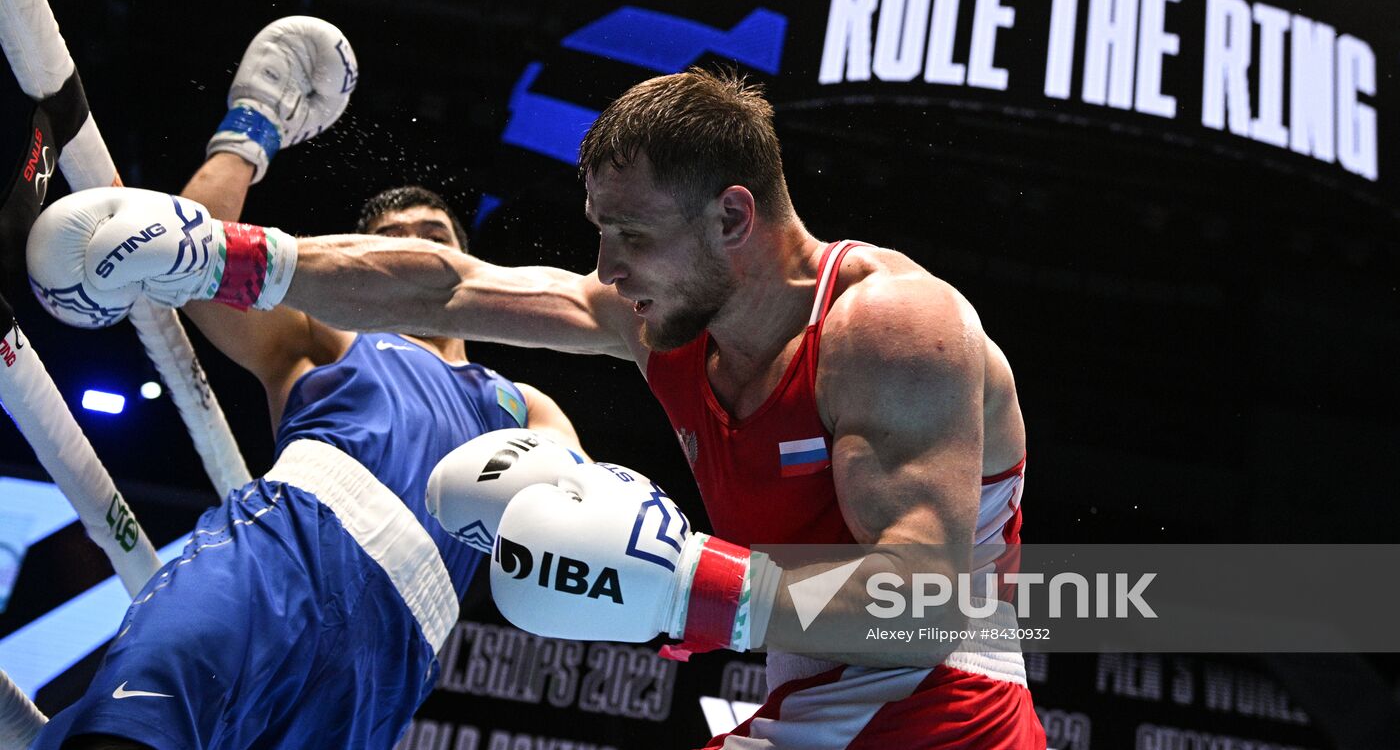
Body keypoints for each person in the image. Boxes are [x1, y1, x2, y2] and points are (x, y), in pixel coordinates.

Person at [31, 67, 1044, 747]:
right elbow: (448, 287)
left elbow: (923, 602)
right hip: (802, 701)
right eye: (598, 232)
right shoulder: (661, 318)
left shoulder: (891, 327)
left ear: (733, 215)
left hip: (947, 712)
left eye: (630, 236)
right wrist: (237, 258)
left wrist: (691, 581)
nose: (605, 267)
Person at [27, 18, 582, 750]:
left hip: (395, 652)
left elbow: (572, 524)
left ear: (464, 264)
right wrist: (249, 127)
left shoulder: (521, 402)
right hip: (279, 550)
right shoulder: (327, 334)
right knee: (127, 733)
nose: (415, 244)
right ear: (363, 268)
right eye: (394, 239)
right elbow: (187, 257)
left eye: (435, 236)